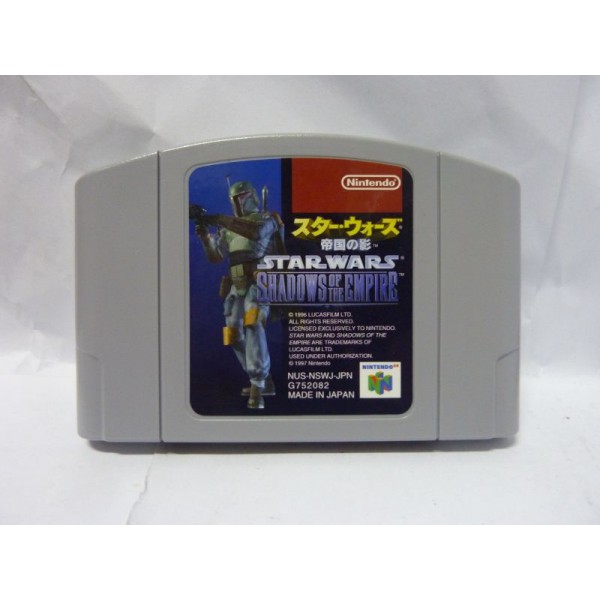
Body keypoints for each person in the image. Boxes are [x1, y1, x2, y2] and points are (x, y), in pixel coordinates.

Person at [192, 181, 283, 409]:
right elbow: (216, 257)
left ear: (251, 196)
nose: (237, 203)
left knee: (253, 323)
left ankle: (257, 384)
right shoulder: (230, 227)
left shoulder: (267, 219)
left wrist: (218, 219)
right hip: (235, 284)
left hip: (258, 282)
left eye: (241, 197)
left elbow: (255, 232)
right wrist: (205, 237)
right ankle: (263, 379)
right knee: (232, 335)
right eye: (234, 199)